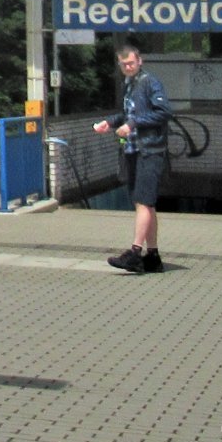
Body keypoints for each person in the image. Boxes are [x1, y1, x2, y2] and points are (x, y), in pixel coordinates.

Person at [94, 39, 170, 273]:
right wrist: (111, 122)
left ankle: (135, 253)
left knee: (143, 202)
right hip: (134, 150)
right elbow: (128, 114)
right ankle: (153, 256)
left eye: (130, 63)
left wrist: (133, 124)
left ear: (139, 61)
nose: (127, 67)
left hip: (150, 150)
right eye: (123, 64)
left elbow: (163, 112)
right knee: (145, 204)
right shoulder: (130, 84)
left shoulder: (150, 83)